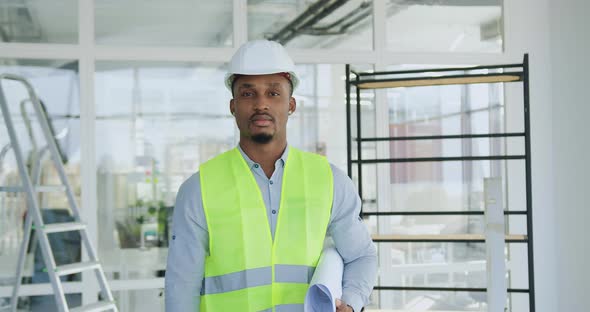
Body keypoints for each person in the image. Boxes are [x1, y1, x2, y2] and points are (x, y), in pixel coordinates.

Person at [165, 40, 377, 312]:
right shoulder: (198, 189)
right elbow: (182, 286)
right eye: (248, 93)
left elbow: (361, 256)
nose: (261, 104)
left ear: (291, 105)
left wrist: (351, 302)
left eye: (273, 93)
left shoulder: (329, 181)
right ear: (233, 106)